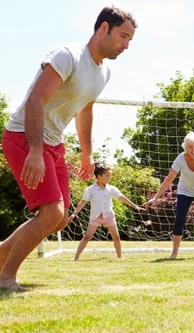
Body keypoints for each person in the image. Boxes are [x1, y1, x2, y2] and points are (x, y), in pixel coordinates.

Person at [0, 6, 137, 291]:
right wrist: (35, 152)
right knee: (51, 213)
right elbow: (36, 100)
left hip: (54, 143)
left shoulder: (104, 72)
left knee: (60, 218)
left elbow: (85, 109)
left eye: (130, 40)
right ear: (103, 29)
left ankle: (1, 253)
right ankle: (5, 277)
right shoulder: (67, 56)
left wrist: (86, 151)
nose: (126, 45)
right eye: (123, 36)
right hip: (25, 137)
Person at [68, 163, 145, 261]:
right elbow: (82, 203)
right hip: (95, 218)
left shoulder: (111, 189)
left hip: (109, 217)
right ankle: (76, 257)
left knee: (116, 237)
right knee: (87, 237)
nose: (109, 178)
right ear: (99, 176)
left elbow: (122, 198)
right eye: (107, 176)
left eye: (110, 175)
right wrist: (74, 214)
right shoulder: (90, 190)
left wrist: (135, 206)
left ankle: (119, 256)